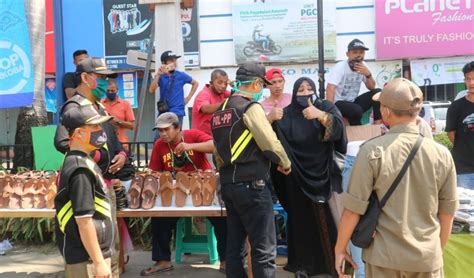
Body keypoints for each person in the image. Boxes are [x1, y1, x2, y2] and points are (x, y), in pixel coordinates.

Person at [335, 78, 458, 278]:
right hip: (426, 258)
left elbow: (352, 211)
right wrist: (435, 252)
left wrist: (340, 249)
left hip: (384, 258)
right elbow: (447, 214)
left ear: (385, 111)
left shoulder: (371, 151)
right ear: (417, 111)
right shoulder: (441, 153)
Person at [211, 62, 292, 278]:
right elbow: (269, 141)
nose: (262, 91)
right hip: (253, 186)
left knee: (235, 247)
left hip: (228, 185)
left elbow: (216, 151)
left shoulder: (220, 111)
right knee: (263, 248)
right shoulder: (250, 107)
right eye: (262, 86)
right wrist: (285, 163)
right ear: (256, 83)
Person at [55, 58, 131, 277]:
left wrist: (122, 155)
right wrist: (96, 156)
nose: (104, 84)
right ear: (85, 78)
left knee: (110, 247)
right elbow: (63, 142)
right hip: (88, 183)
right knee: (94, 249)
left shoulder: (99, 107)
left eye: (106, 79)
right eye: (100, 78)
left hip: (106, 183)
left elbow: (114, 140)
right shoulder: (74, 108)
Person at [271, 77, 346, 277]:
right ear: (294, 93)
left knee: (326, 220)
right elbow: (272, 141)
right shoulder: (286, 115)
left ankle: (332, 265)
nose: (305, 93)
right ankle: (303, 266)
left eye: (309, 89)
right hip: (295, 177)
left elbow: (339, 129)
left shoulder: (325, 106)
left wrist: (319, 115)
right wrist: (280, 161)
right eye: (301, 90)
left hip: (322, 175)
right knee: (300, 220)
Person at [141, 112, 228, 276]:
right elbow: (154, 170)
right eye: (160, 131)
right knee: (159, 218)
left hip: (203, 189)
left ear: (178, 128)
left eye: (166, 130)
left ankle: (226, 260)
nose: (163, 134)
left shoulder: (192, 135)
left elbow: (214, 145)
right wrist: (153, 174)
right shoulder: (159, 145)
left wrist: (190, 146)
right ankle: (163, 261)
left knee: (221, 217)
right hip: (176, 193)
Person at [55, 103, 114, 278]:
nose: (100, 130)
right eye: (94, 126)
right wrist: (99, 263)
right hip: (86, 259)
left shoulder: (82, 161)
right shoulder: (80, 169)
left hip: (90, 255)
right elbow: (84, 221)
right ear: (79, 133)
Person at [326, 39, 381, 126]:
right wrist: (331, 112)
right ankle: (355, 130)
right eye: (355, 52)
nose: (359, 55)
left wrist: (368, 75)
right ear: (347, 54)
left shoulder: (364, 66)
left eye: (361, 52)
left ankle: (378, 125)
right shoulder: (340, 67)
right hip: (338, 103)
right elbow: (330, 88)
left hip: (353, 102)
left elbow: (372, 88)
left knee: (378, 93)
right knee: (356, 110)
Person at [149, 50, 199, 128]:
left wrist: (188, 98)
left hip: (177, 111)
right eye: (171, 60)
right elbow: (151, 90)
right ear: (164, 63)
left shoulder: (181, 75)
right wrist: (158, 75)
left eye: (175, 60)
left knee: (176, 136)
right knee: (159, 137)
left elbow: (195, 83)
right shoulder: (160, 76)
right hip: (164, 112)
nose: (174, 63)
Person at [446, 61, 474, 190]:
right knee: (467, 209)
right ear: (464, 81)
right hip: (464, 169)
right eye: (468, 79)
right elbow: (451, 134)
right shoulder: (455, 107)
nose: (471, 83)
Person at [191, 69, 231, 136]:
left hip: (215, 136)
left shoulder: (222, 92)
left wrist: (233, 85)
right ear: (211, 83)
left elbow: (238, 95)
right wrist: (224, 103)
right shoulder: (203, 94)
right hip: (201, 138)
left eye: (226, 83)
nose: (223, 86)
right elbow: (205, 109)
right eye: (220, 82)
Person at [102, 78, 136, 148]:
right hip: (104, 143)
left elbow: (132, 126)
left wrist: (119, 121)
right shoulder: (100, 104)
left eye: (112, 91)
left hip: (121, 143)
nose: (110, 92)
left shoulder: (125, 104)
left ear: (117, 90)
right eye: (108, 90)